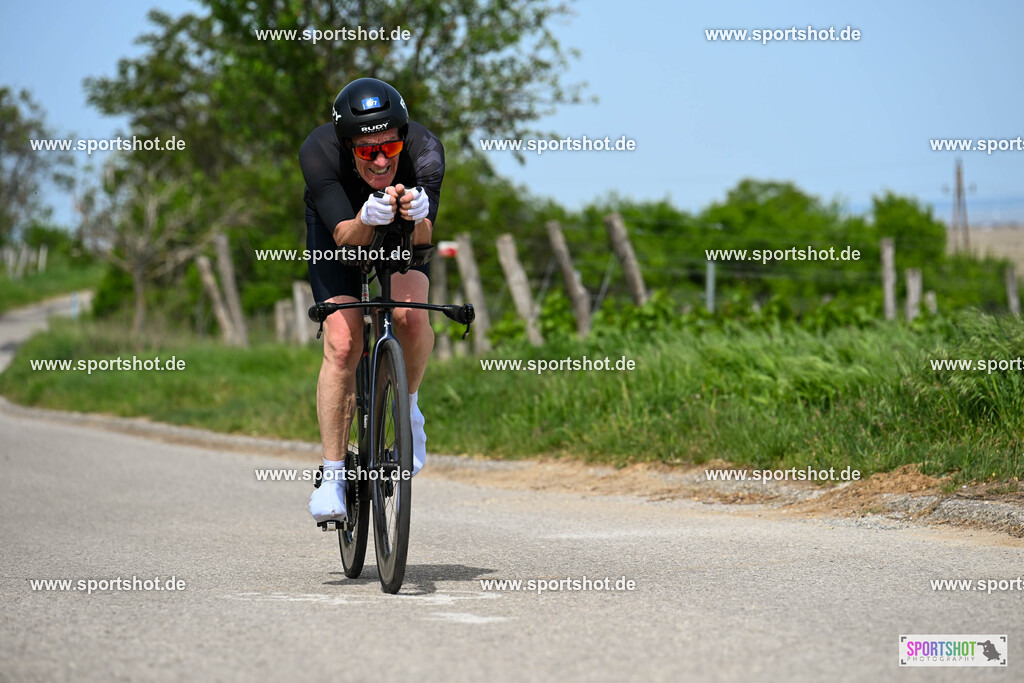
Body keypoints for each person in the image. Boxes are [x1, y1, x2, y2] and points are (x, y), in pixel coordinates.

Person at [299, 77, 445, 523]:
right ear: (348, 147)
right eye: (366, 150)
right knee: (343, 342)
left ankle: (409, 407)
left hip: (401, 232)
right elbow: (344, 237)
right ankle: (334, 473)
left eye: (389, 147)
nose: (381, 159)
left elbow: (424, 240)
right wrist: (364, 215)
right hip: (339, 228)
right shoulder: (318, 151)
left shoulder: (425, 152)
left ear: (403, 138)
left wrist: (416, 215)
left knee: (411, 317)